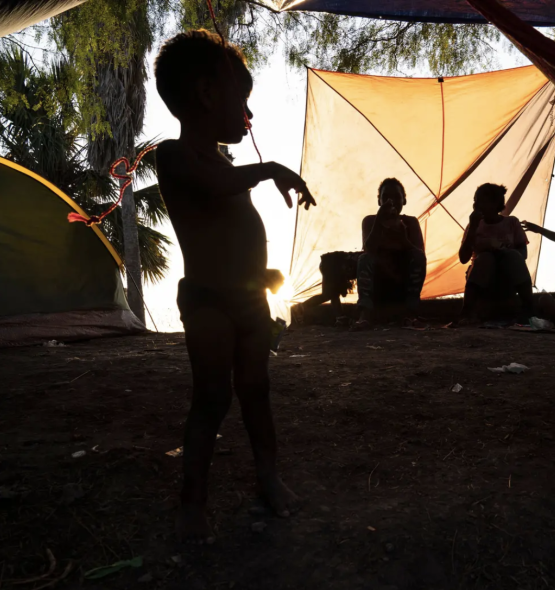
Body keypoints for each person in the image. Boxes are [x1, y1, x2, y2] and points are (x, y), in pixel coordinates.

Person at [154, 30, 317, 543]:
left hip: (247, 301)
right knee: (211, 396)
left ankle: (268, 477)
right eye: (241, 99)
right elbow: (219, 189)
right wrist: (269, 169)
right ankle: (192, 502)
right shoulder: (174, 156)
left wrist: (264, 277)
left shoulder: (226, 163)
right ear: (207, 94)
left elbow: (233, 233)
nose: (249, 114)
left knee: (256, 391)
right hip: (207, 303)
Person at [354, 178, 426, 329]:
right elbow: (368, 248)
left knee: (418, 256)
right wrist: (379, 221)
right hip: (379, 282)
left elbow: (419, 254)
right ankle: (365, 314)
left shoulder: (411, 222)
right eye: (386, 197)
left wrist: (402, 238)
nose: (391, 201)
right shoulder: (370, 221)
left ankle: (411, 312)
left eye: (396, 197)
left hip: (402, 282)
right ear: (379, 201)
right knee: (364, 258)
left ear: (404, 200)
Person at [459, 183, 532, 322]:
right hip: (482, 278)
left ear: (495, 204)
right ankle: (467, 311)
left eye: (480, 201)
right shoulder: (474, 226)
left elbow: (523, 253)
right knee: (485, 258)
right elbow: (463, 258)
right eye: (475, 201)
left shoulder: (512, 223)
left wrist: (504, 253)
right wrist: (473, 228)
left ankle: (529, 308)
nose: (476, 205)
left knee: (513, 256)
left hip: (507, 277)